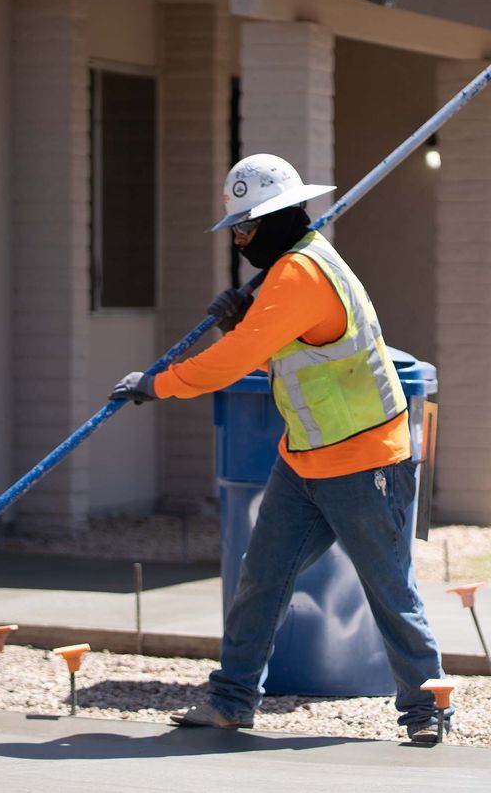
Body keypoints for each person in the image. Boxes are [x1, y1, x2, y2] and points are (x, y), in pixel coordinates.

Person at [110, 153, 448, 745]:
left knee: (389, 589)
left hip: (367, 461)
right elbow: (288, 357)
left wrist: (155, 383)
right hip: (306, 459)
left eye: (247, 227)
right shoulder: (292, 271)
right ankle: (233, 700)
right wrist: (240, 322)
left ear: (280, 219)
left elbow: (234, 363)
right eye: (235, 229)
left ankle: (427, 710)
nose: (240, 240)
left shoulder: (300, 274)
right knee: (260, 579)